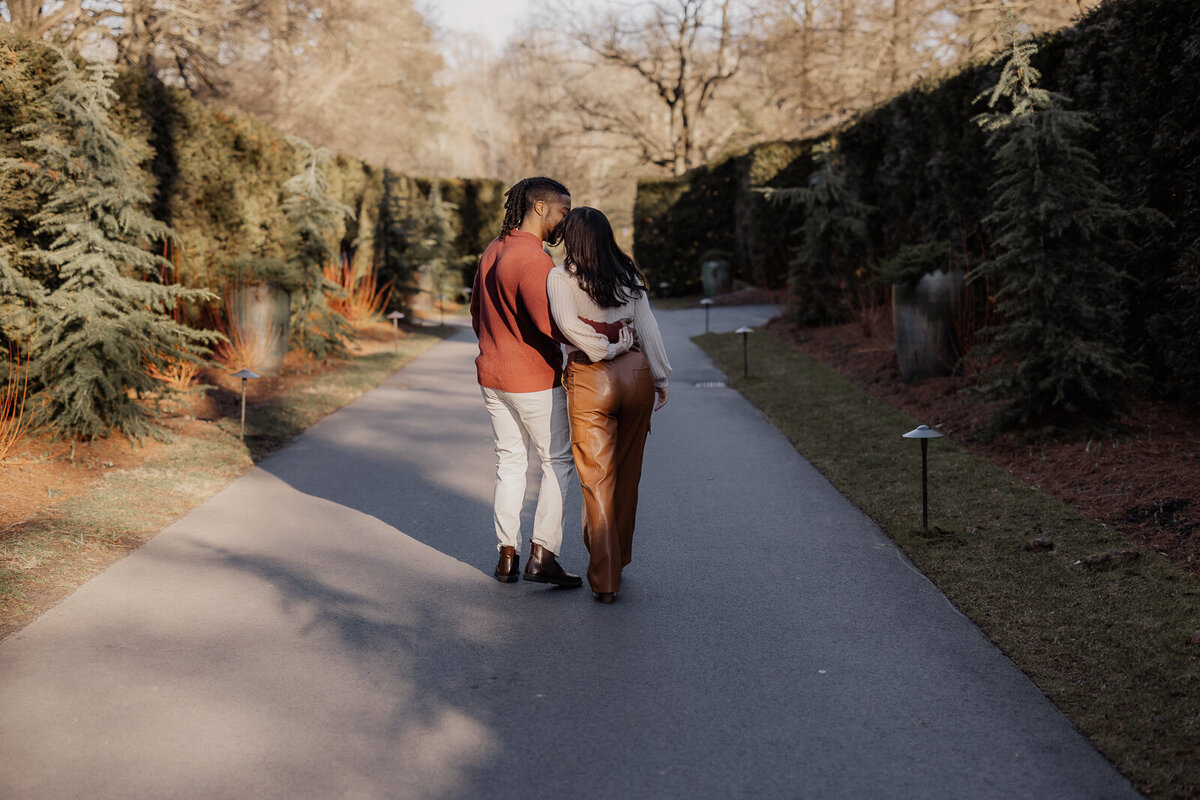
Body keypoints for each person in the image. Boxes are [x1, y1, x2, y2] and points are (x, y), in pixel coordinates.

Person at [470, 178, 636, 587]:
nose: (566, 220)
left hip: (492, 377)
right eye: (563, 211)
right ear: (540, 208)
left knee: (509, 463)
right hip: (532, 381)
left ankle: (506, 555)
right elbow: (556, 326)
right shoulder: (533, 260)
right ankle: (543, 554)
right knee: (556, 462)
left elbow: (476, 313)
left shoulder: (494, 248)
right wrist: (606, 330)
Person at [546, 207, 671, 604]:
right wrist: (662, 376)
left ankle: (605, 578)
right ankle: (619, 558)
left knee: (596, 481)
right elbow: (647, 326)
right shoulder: (628, 274)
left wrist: (604, 347)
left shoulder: (561, 277)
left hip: (590, 378)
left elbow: (568, 326)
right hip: (637, 377)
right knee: (627, 474)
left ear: (573, 239)